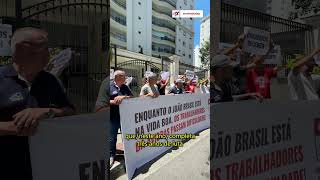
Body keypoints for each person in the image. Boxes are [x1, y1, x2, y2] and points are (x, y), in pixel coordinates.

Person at [0, 27, 75, 180]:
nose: (48, 56)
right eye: (42, 50)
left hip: (45, 165)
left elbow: (70, 111)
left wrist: (48, 111)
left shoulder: (51, 81)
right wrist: (12, 128)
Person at [109, 70, 133, 167]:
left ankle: (128, 154)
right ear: (117, 77)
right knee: (112, 138)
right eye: (123, 76)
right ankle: (111, 155)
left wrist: (123, 97)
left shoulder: (125, 87)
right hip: (112, 117)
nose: (125, 78)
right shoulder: (108, 86)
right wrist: (113, 102)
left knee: (126, 136)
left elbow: (131, 97)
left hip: (124, 117)